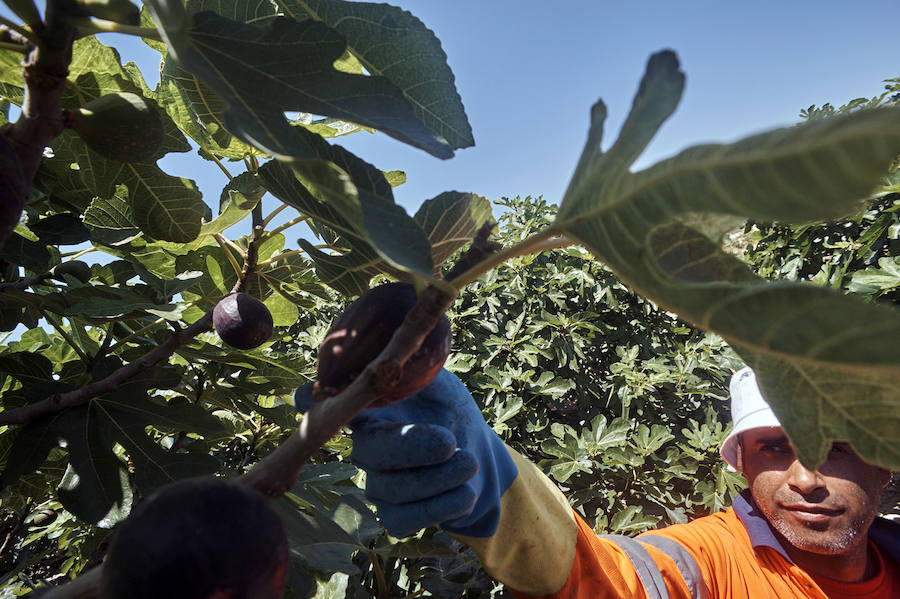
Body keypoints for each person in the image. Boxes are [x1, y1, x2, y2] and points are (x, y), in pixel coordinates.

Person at [295, 366, 899, 598]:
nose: (804, 479)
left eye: (837, 449)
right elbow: (603, 575)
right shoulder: (708, 563)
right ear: (742, 462)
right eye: (775, 448)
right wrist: (491, 483)